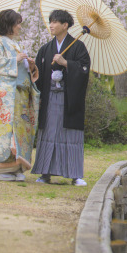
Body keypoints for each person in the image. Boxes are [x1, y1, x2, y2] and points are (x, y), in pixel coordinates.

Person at [0, 9, 40, 181]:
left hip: (19, 95)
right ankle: (2, 170)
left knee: (19, 131)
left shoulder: (14, 44)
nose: (20, 27)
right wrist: (15, 60)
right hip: (6, 96)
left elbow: (22, 70)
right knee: (7, 131)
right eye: (17, 23)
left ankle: (16, 168)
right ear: (9, 25)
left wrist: (31, 67)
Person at [31, 9, 91, 185]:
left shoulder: (78, 47)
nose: (51, 25)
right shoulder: (45, 49)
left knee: (70, 136)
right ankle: (45, 173)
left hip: (69, 100)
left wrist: (66, 63)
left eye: (55, 22)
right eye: (50, 22)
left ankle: (75, 175)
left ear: (65, 25)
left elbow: (84, 70)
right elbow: (37, 76)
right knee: (48, 133)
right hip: (49, 99)